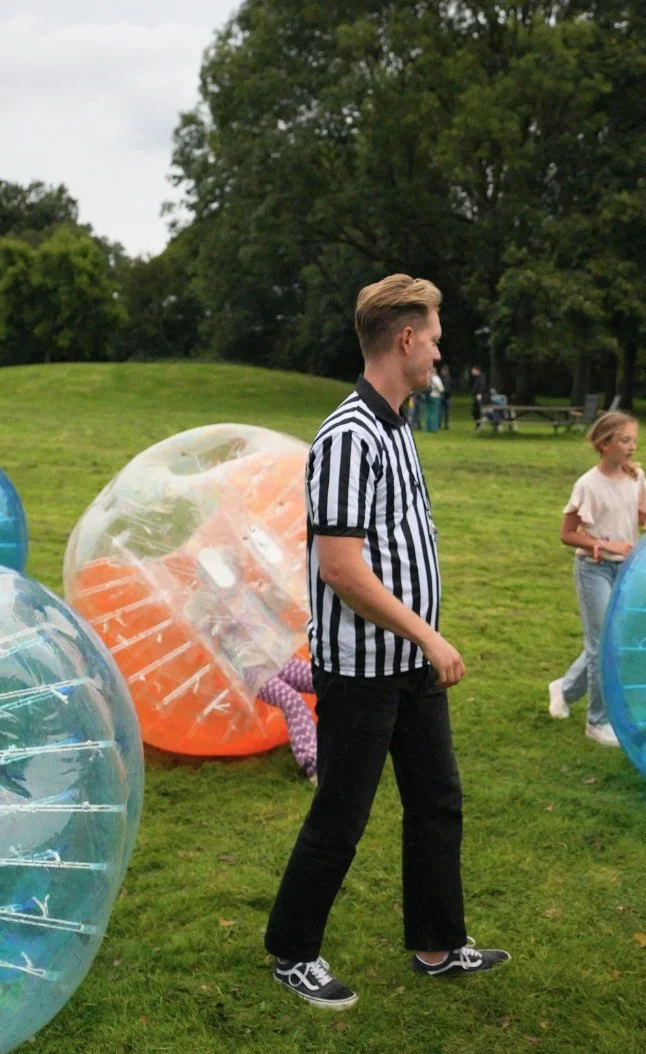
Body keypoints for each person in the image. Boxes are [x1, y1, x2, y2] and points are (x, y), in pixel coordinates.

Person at [264, 274, 509, 1011]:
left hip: (410, 666)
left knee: (437, 801)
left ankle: (437, 946)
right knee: (342, 814)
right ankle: (292, 952)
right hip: (364, 668)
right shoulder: (349, 435)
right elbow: (340, 568)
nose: (440, 349)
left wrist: (422, 642)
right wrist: (429, 635)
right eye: (434, 336)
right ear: (406, 339)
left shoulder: (398, 424)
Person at [549, 411, 646, 745]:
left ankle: (564, 689)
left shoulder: (635, 477)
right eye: (625, 440)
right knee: (602, 646)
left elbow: (644, 513)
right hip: (593, 570)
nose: (632, 446)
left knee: (610, 641)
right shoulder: (588, 485)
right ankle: (597, 722)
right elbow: (567, 534)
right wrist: (601, 543)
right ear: (604, 444)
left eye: (633, 440)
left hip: (625, 570)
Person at [437, 362, 452, 430]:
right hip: (442, 396)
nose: (444, 372)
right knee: (440, 412)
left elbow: (451, 387)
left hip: (448, 397)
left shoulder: (449, 379)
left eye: (446, 370)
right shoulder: (440, 378)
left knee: (447, 412)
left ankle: (446, 425)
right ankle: (439, 424)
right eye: (443, 370)